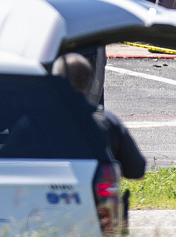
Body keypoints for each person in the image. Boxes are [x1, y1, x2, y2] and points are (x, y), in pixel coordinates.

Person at [51, 53, 146, 181]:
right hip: (94, 195)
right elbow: (137, 171)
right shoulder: (108, 123)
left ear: (54, 80)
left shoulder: (35, 122)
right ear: (90, 81)